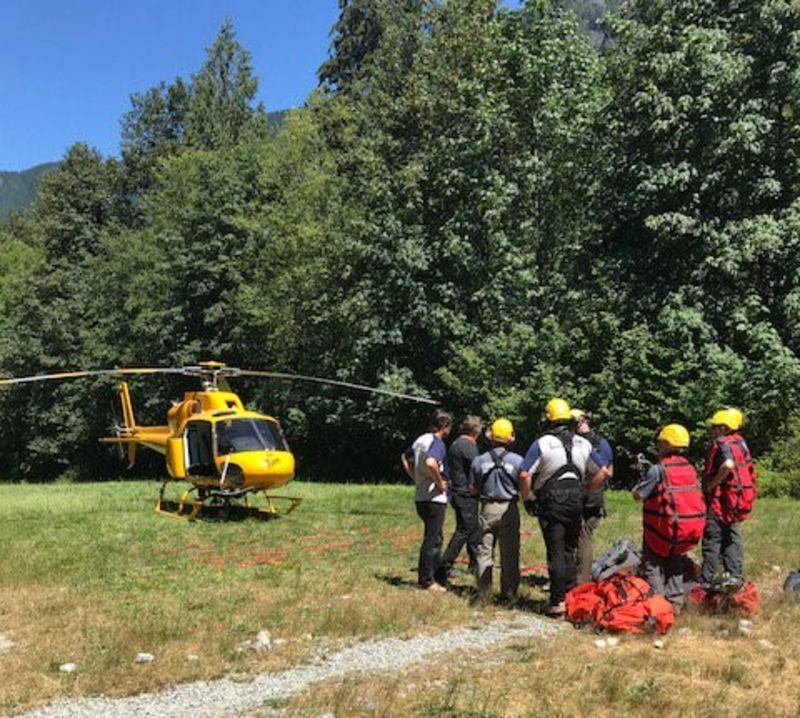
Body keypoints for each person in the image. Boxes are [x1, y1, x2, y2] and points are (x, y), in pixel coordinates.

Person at [520, 398, 607, 618]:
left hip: (552, 502)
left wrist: (527, 499)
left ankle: (557, 602)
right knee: (570, 550)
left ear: (547, 419)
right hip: (575, 500)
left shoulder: (541, 443)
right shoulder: (583, 443)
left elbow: (524, 474)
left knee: (556, 551)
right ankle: (571, 598)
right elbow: (603, 471)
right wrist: (587, 490)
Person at [632, 424, 706, 612]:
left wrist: (637, 486)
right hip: (682, 528)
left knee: (652, 562)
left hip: (660, 528)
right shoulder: (689, 467)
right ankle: (676, 603)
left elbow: (639, 494)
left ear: (665, 444)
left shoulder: (658, 469)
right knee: (675, 561)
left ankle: (657, 605)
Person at [469, 418, 528, 604]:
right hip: (509, 508)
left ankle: (484, 594)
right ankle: (509, 594)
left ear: (491, 437)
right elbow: (523, 483)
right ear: (510, 438)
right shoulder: (518, 461)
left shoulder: (479, 460)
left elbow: (472, 489)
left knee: (484, 552)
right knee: (510, 553)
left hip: (487, 508)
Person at [699, 407, 757, 590]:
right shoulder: (740, 443)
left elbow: (728, 464)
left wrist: (712, 483)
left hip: (720, 500)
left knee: (712, 538)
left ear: (724, 428)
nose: (712, 430)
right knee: (732, 536)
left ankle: (706, 580)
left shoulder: (722, 444)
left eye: (715, 426)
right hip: (735, 500)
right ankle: (735, 576)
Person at [401, 409, 454, 592]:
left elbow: (404, 457)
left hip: (421, 496)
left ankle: (437, 575)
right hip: (434, 498)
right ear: (445, 426)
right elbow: (432, 462)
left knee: (436, 537)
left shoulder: (420, 440)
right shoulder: (436, 442)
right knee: (432, 539)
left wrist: (415, 477)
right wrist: (440, 483)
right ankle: (426, 581)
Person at [571, 408, 615, 585]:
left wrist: (587, 487)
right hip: (595, 496)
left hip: (583, 495)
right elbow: (609, 472)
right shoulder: (602, 442)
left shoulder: (576, 443)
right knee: (583, 535)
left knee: (582, 536)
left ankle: (581, 581)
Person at [438, 415, 483, 583]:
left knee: (472, 528)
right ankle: (444, 566)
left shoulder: (457, 443)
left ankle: (474, 563)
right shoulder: (468, 446)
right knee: (465, 530)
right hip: (465, 493)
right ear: (475, 431)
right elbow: (477, 467)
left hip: (458, 492)